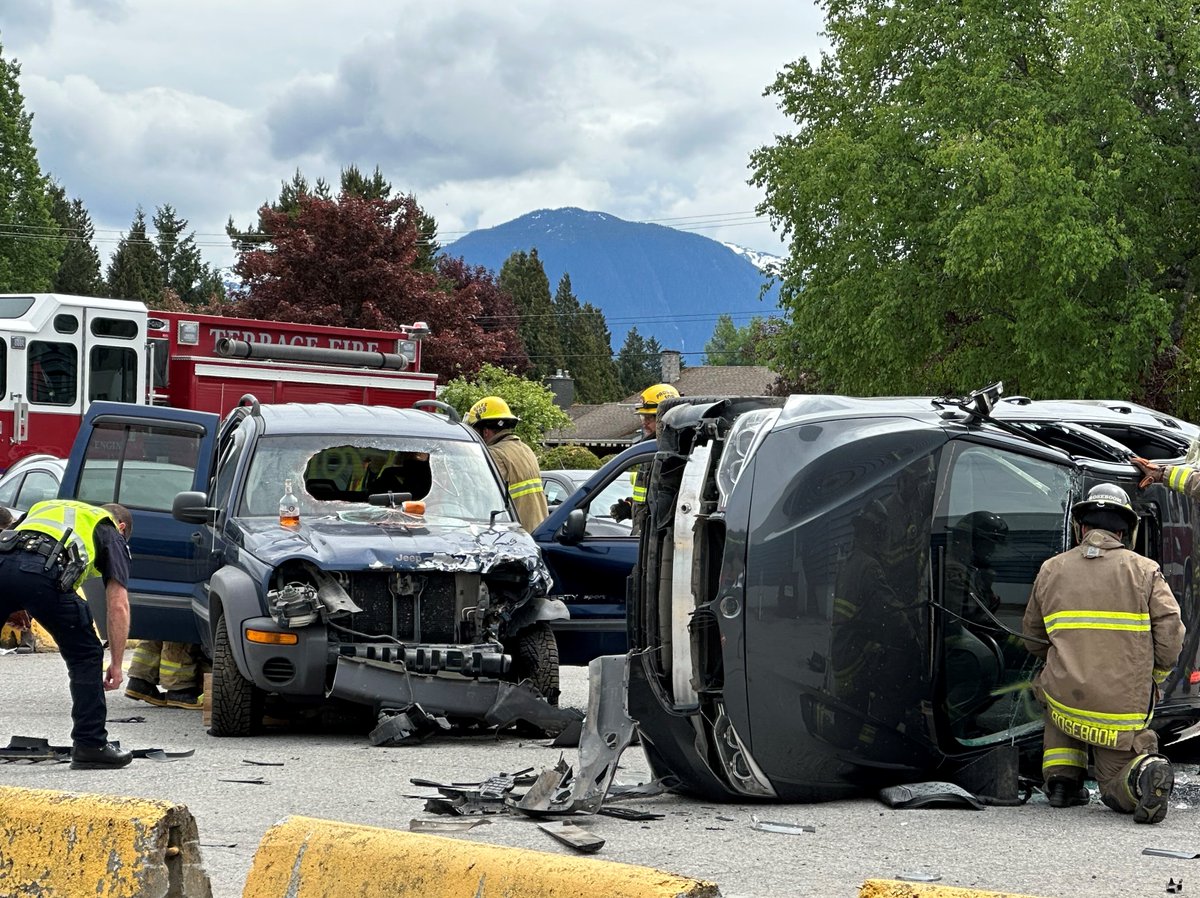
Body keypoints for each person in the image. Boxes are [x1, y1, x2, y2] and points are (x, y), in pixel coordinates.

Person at [1022, 483, 1184, 823]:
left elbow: (1033, 638)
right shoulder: (1144, 571)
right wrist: (1155, 676)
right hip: (1118, 710)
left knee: (1054, 694)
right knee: (1115, 784)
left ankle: (1062, 783)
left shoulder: (1051, 569)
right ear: (1125, 531)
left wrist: (1060, 662)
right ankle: (1145, 775)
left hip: (1066, 697)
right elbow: (1171, 634)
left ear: (1082, 527)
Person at [0, 500, 135, 769]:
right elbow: (118, 604)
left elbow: (11, 546)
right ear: (122, 527)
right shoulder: (108, 529)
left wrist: (14, 602)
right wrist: (117, 664)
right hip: (44, 575)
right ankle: (91, 745)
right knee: (86, 654)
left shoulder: (45, 507)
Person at [465, 396, 548, 530]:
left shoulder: (494, 454)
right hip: (535, 531)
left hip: (512, 536)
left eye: (476, 431)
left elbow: (479, 500)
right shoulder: (525, 449)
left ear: (485, 432)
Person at [610, 383, 681, 534]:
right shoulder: (650, 451)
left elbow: (665, 504)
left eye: (649, 417)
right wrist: (630, 507)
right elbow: (650, 498)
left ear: (665, 418)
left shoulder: (670, 458)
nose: (644, 422)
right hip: (644, 537)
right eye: (643, 416)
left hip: (657, 540)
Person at [125, 641, 206, 710]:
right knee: (179, 634)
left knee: (155, 631)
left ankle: (139, 682)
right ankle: (179, 689)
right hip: (179, 688)